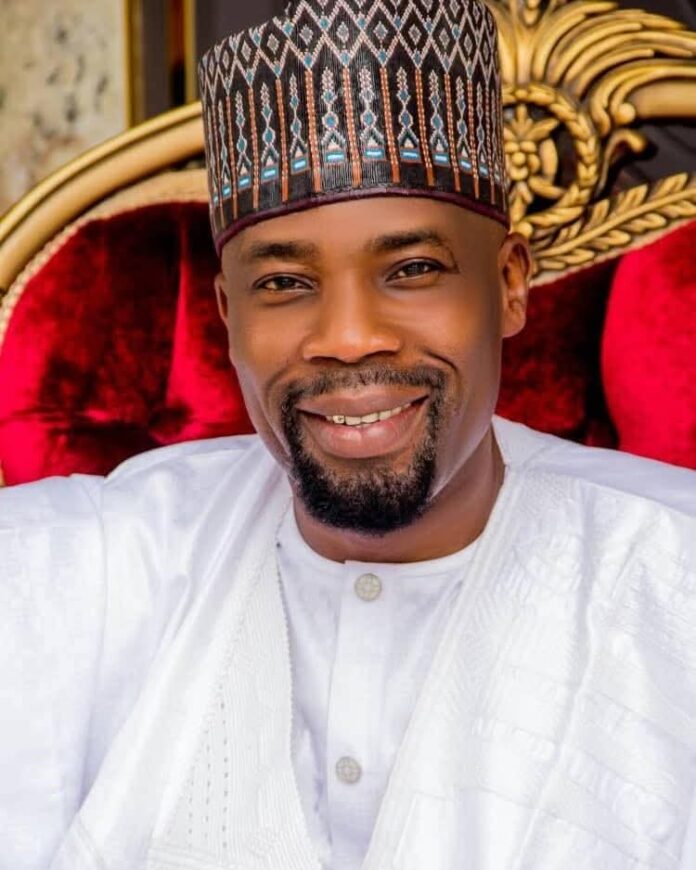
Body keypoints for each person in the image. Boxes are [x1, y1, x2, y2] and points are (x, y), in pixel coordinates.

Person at [2, 1, 695, 868]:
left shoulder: (672, 579)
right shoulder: (100, 562)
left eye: (412, 270)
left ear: (510, 286)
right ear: (227, 316)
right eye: (286, 284)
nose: (350, 337)